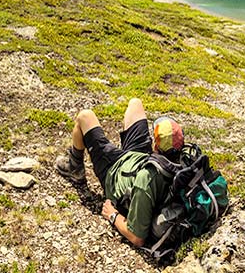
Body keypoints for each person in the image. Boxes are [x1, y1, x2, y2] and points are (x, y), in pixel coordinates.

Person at [54, 98, 185, 248]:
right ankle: (121, 148)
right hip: (142, 158)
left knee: (84, 117)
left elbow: (137, 238)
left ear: (155, 146)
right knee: (136, 104)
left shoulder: (146, 180)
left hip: (114, 170)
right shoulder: (182, 160)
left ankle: (74, 167)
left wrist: (113, 215)